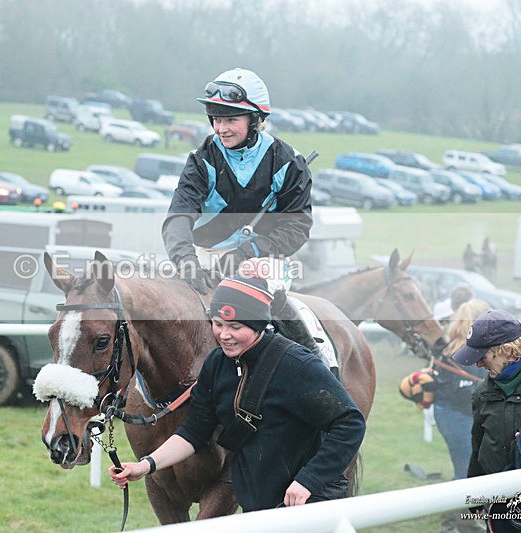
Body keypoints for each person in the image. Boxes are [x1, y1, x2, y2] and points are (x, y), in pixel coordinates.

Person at [110, 274, 366, 512]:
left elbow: (349, 423)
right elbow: (194, 431)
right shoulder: (216, 364)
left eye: (235, 326)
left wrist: (308, 481)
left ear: (257, 324)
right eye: (218, 324)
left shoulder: (297, 364)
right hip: (258, 506)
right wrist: (144, 466)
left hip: (308, 501)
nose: (224, 335)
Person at [161, 67, 318, 354]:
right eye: (217, 120)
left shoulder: (288, 162)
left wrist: (249, 251)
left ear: (256, 120)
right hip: (204, 254)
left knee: (268, 290)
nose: (221, 129)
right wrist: (185, 259)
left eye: (231, 119)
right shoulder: (201, 160)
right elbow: (179, 217)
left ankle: (312, 360)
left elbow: (298, 227)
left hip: (263, 258)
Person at [453, 309, 521, 531]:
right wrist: (476, 497)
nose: (478, 364)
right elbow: (478, 447)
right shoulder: (482, 393)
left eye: (482, 356)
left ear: (507, 351)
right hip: (502, 507)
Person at [433, 299, 490, 533]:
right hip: (457, 416)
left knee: (467, 469)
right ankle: (455, 524)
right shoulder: (471, 351)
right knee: (465, 471)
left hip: (450, 413)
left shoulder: (450, 349)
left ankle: (459, 522)